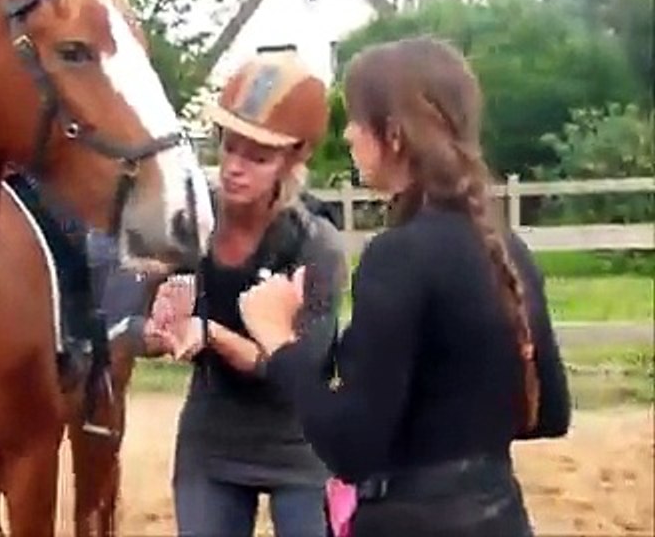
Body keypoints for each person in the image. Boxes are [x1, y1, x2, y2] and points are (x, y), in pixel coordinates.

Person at [237, 37, 572, 537]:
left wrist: (278, 339)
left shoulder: (398, 256)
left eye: (354, 119)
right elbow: (551, 413)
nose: (347, 134)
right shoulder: (506, 248)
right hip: (500, 514)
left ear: (392, 135)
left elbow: (350, 447)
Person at [123, 51, 349, 537]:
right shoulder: (189, 223)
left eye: (258, 156)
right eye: (230, 147)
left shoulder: (316, 244)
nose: (235, 168)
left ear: (293, 160)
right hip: (214, 441)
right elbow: (126, 326)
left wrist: (209, 334)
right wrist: (159, 330)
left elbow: (298, 365)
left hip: (300, 442)